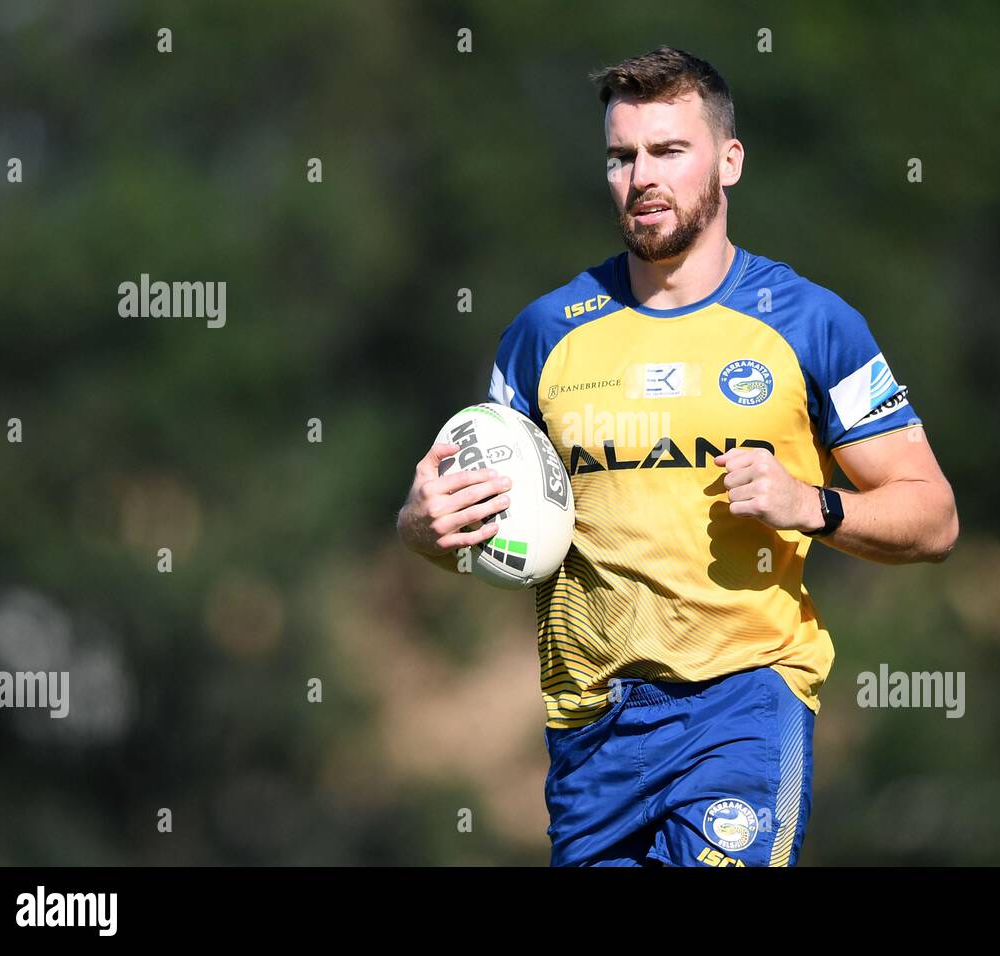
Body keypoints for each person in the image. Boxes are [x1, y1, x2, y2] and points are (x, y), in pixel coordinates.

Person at [399, 46, 958, 866]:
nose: (641, 178)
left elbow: (934, 515)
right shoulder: (542, 333)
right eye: (622, 157)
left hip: (744, 705)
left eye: (668, 151)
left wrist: (815, 504)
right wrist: (422, 524)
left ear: (728, 161)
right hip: (591, 727)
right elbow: (486, 521)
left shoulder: (811, 324)